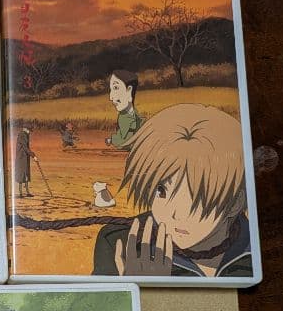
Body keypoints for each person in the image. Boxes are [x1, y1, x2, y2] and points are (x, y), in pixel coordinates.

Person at [92, 103, 254, 278]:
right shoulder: (117, 243)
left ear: (234, 203)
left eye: (197, 198)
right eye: (161, 191)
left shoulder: (256, 246)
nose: (175, 214)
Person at [105, 70, 141, 149]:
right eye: (111, 89)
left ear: (129, 91)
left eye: (115, 88)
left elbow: (124, 142)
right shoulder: (124, 116)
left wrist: (112, 140)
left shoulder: (129, 118)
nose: (111, 97)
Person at [13, 127, 38, 198]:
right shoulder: (22, 135)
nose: (29, 132)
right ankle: (21, 193)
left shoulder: (25, 135)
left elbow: (27, 148)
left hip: (24, 158)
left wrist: (32, 155)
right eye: (29, 130)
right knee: (21, 175)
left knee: (26, 174)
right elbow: (25, 147)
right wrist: (33, 156)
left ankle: (27, 192)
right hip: (21, 159)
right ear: (25, 129)